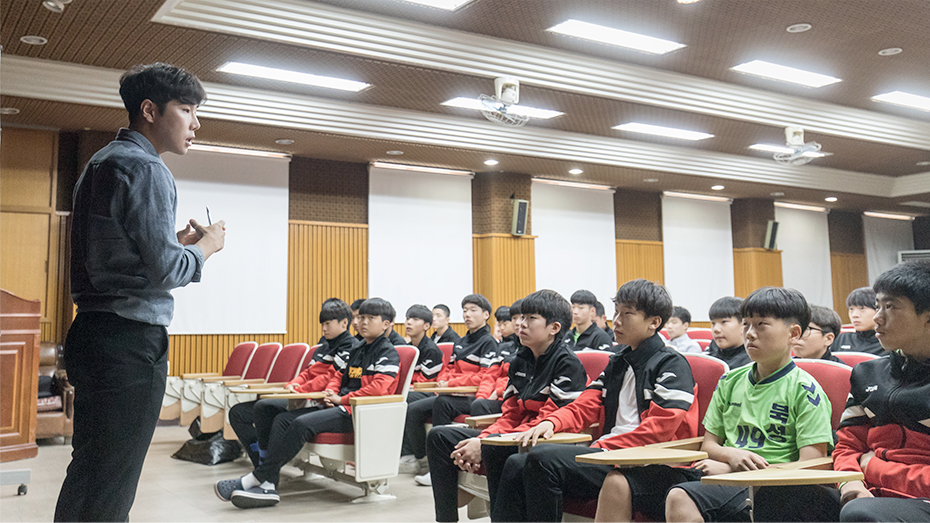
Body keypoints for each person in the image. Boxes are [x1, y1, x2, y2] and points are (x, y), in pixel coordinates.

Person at [54, 63, 226, 523]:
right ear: (150, 110)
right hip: (129, 343)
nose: (196, 123)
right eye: (186, 109)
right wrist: (206, 247)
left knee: (91, 472)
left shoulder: (101, 160)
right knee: (113, 484)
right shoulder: (148, 168)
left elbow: (119, 253)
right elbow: (168, 270)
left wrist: (174, 242)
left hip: (92, 333)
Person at [596, 287, 836, 523]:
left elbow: (811, 465)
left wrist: (737, 471)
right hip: (719, 472)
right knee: (618, 481)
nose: (750, 334)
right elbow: (710, 444)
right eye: (746, 324)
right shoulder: (730, 380)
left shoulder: (805, 389)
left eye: (761, 325)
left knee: (681, 497)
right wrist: (729, 456)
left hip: (771, 486)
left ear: (793, 334)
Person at [490, 279, 699, 522]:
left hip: (649, 463)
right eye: (616, 312)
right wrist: (552, 423)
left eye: (627, 314)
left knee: (542, 459)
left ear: (654, 322)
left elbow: (659, 430)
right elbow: (586, 403)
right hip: (611, 455)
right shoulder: (618, 361)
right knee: (516, 463)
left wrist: (602, 448)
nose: (616, 321)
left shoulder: (671, 365)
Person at [215, 298, 401, 509]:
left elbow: (379, 388)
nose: (363, 322)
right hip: (339, 407)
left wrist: (342, 399)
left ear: (386, 324)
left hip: (359, 414)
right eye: (361, 317)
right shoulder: (359, 349)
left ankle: (257, 479)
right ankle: (267, 482)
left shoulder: (388, 352)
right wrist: (332, 389)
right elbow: (339, 375)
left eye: (371, 318)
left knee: (301, 424)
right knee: (283, 419)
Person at [424, 290, 587, 522]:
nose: (521, 324)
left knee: (496, 448)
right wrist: (484, 438)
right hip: (513, 435)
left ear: (554, 328)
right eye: (521, 318)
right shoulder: (520, 361)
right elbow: (509, 415)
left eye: (531, 318)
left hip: (543, 441)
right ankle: (446, 519)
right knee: (440, 436)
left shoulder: (567, 364)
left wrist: (486, 442)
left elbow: (546, 422)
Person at [834, 261, 930, 522]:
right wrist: (850, 484)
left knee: (862, 514)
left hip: (921, 500)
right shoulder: (867, 374)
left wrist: (872, 467)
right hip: (867, 492)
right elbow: (847, 446)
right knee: (784, 495)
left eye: (891, 307)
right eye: (878, 306)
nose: (877, 317)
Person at [227, 298, 360, 467]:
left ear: (344, 323)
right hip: (304, 396)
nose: (324, 328)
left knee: (266, 408)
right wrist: (292, 384)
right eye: (322, 324)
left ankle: (267, 465)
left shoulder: (350, 346)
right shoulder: (323, 347)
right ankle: (262, 460)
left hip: (316, 400)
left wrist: (301, 390)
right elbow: (308, 372)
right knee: (239, 412)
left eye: (328, 323)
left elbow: (330, 377)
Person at [401, 294, 498, 482]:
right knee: (413, 409)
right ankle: (421, 459)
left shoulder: (489, 342)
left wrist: (452, 383)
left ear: (486, 314)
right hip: (453, 393)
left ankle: (440, 465)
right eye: (464, 310)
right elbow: (449, 369)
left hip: (473, 396)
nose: (467, 315)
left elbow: (485, 376)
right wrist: (444, 380)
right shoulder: (461, 342)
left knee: (442, 403)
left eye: (473, 310)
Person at [398, 304, 445, 474]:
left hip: (427, 392)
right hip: (412, 390)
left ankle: (422, 458)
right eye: (407, 318)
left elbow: (425, 381)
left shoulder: (431, 350)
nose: (408, 322)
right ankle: (404, 452)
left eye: (415, 319)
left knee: (405, 401)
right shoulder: (409, 349)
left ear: (426, 326)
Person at [834, 287, 884, 355]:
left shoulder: (889, 344)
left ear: (878, 310)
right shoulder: (841, 339)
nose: (855, 315)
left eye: (862, 309)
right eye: (851, 309)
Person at [705, 296, 751, 369]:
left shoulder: (751, 361)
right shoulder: (713, 347)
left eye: (724, 322)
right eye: (713, 323)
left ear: (744, 324)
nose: (716, 329)